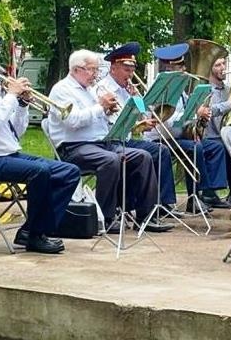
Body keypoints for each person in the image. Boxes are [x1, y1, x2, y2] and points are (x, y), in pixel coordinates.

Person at [0, 36, 81, 254]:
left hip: (9, 154)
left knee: (69, 171)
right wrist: (11, 95)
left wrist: (21, 105)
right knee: (40, 171)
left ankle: (32, 229)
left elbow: (15, 132)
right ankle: (36, 236)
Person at [47, 49, 159, 231]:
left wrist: (110, 113)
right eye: (92, 70)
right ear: (76, 70)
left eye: (97, 70)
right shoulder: (61, 90)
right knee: (111, 160)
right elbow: (73, 121)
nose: (95, 75)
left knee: (142, 156)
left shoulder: (91, 90)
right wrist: (101, 107)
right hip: (74, 147)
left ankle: (146, 216)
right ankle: (106, 217)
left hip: (101, 143)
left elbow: (103, 120)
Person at [94, 42, 177, 229]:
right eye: (126, 69)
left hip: (126, 139)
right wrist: (137, 125)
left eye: (132, 69)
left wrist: (139, 100)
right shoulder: (103, 90)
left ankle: (159, 205)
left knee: (160, 151)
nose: (130, 74)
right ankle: (144, 213)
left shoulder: (128, 90)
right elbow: (114, 124)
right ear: (113, 68)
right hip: (110, 141)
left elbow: (145, 117)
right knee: (144, 156)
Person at [145, 43, 231, 212]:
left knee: (215, 146)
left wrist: (196, 123)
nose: (184, 69)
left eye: (183, 65)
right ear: (169, 67)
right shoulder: (159, 89)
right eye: (180, 66)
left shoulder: (180, 88)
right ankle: (190, 196)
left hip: (177, 137)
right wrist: (194, 114)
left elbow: (184, 112)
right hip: (161, 138)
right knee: (195, 148)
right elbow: (166, 120)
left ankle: (207, 192)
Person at [203, 54, 231, 209]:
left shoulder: (229, 89)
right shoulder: (205, 89)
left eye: (224, 64)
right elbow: (209, 111)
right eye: (217, 65)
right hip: (208, 135)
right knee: (228, 147)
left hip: (223, 134)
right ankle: (212, 193)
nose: (223, 68)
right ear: (209, 68)